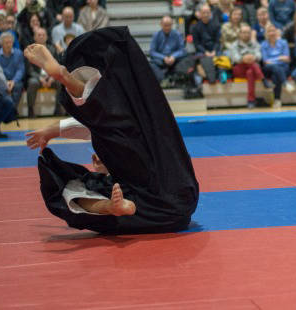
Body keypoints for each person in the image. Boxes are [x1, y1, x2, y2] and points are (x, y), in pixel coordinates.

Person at [22, 27, 199, 233]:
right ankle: (67, 79)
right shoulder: (131, 130)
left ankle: (110, 208)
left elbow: (97, 125)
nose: (95, 160)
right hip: (178, 196)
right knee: (116, 121)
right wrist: (54, 130)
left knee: (66, 187)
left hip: (149, 200)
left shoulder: (116, 172)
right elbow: (100, 124)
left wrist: (54, 130)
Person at [25, 27, 62, 119]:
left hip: (51, 76)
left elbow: (57, 65)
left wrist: (52, 77)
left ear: (46, 37)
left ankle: (58, 109)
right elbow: (29, 69)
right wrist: (39, 78)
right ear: (35, 37)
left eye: (43, 35)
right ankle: (31, 110)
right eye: (39, 35)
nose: (41, 37)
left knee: (60, 82)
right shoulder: (30, 50)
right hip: (37, 78)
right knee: (33, 82)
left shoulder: (52, 49)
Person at [229, 24, 264, 108]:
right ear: (239, 34)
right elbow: (236, 59)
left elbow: (259, 56)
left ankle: (251, 100)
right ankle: (262, 78)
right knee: (252, 66)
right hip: (239, 69)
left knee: (250, 72)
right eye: (244, 32)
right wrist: (245, 58)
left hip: (251, 69)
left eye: (248, 32)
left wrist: (253, 57)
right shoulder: (234, 45)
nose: (246, 34)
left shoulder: (255, 44)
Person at [189, 4, 221, 90]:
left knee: (223, 60)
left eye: (207, 12)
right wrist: (205, 52)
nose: (206, 14)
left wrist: (214, 51)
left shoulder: (216, 25)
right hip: (201, 51)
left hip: (215, 50)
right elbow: (197, 44)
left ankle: (221, 79)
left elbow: (218, 41)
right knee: (196, 64)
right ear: (200, 14)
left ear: (210, 13)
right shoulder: (195, 27)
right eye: (204, 12)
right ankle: (198, 85)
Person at [260, 24, 292, 109]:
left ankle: (277, 100)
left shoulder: (283, 42)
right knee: (275, 68)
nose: (272, 33)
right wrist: (279, 58)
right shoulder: (263, 44)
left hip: (283, 67)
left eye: (273, 31)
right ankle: (285, 83)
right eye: (269, 31)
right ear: (266, 34)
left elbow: (287, 58)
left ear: (276, 32)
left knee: (276, 75)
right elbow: (265, 61)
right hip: (269, 68)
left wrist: (274, 59)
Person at [149, 15, 187, 83]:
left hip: (174, 61)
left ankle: (176, 79)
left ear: (172, 25)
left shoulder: (177, 34)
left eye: (169, 25)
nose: (167, 27)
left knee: (186, 60)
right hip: (161, 61)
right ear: (161, 24)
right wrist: (164, 58)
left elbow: (182, 50)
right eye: (165, 25)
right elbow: (152, 52)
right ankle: (163, 79)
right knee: (151, 65)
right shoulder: (156, 35)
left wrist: (173, 56)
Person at [0, 32, 25, 107]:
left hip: (14, 80)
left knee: (18, 86)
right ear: (1, 44)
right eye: (6, 43)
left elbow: (20, 70)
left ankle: (12, 109)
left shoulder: (19, 53)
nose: (8, 45)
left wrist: (13, 81)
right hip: (1, 80)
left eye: (10, 42)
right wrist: (5, 82)